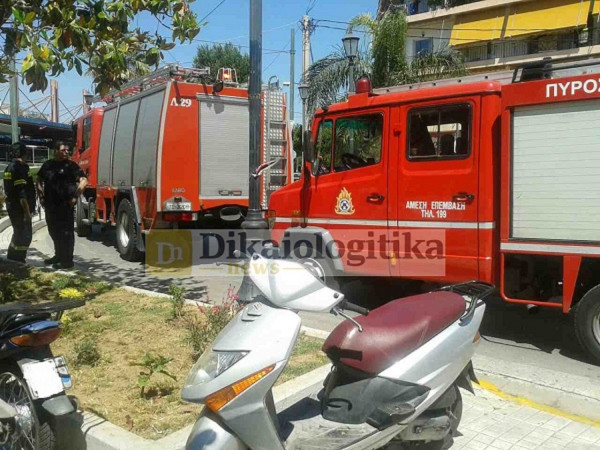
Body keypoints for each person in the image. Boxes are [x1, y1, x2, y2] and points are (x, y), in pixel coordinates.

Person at [37, 141, 87, 269]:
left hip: (65, 205)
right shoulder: (48, 165)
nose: (66, 152)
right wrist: (41, 195)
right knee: (53, 231)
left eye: (67, 150)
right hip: (50, 205)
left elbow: (84, 181)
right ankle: (58, 255)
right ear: (56, 151)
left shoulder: (71, 166)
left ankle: (67, 261)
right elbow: (39, 179)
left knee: (66, 233)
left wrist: (75, 197)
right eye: (63, 150)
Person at [3, 142, 34, 263]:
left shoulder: (10, 167)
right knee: (25, 235)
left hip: (13, 206)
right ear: (24, 153)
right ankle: (18, 259)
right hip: (20, 209)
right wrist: (27, 212)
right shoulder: (19, 168)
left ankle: (12, 256)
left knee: (18, 233)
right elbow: (22, 194)